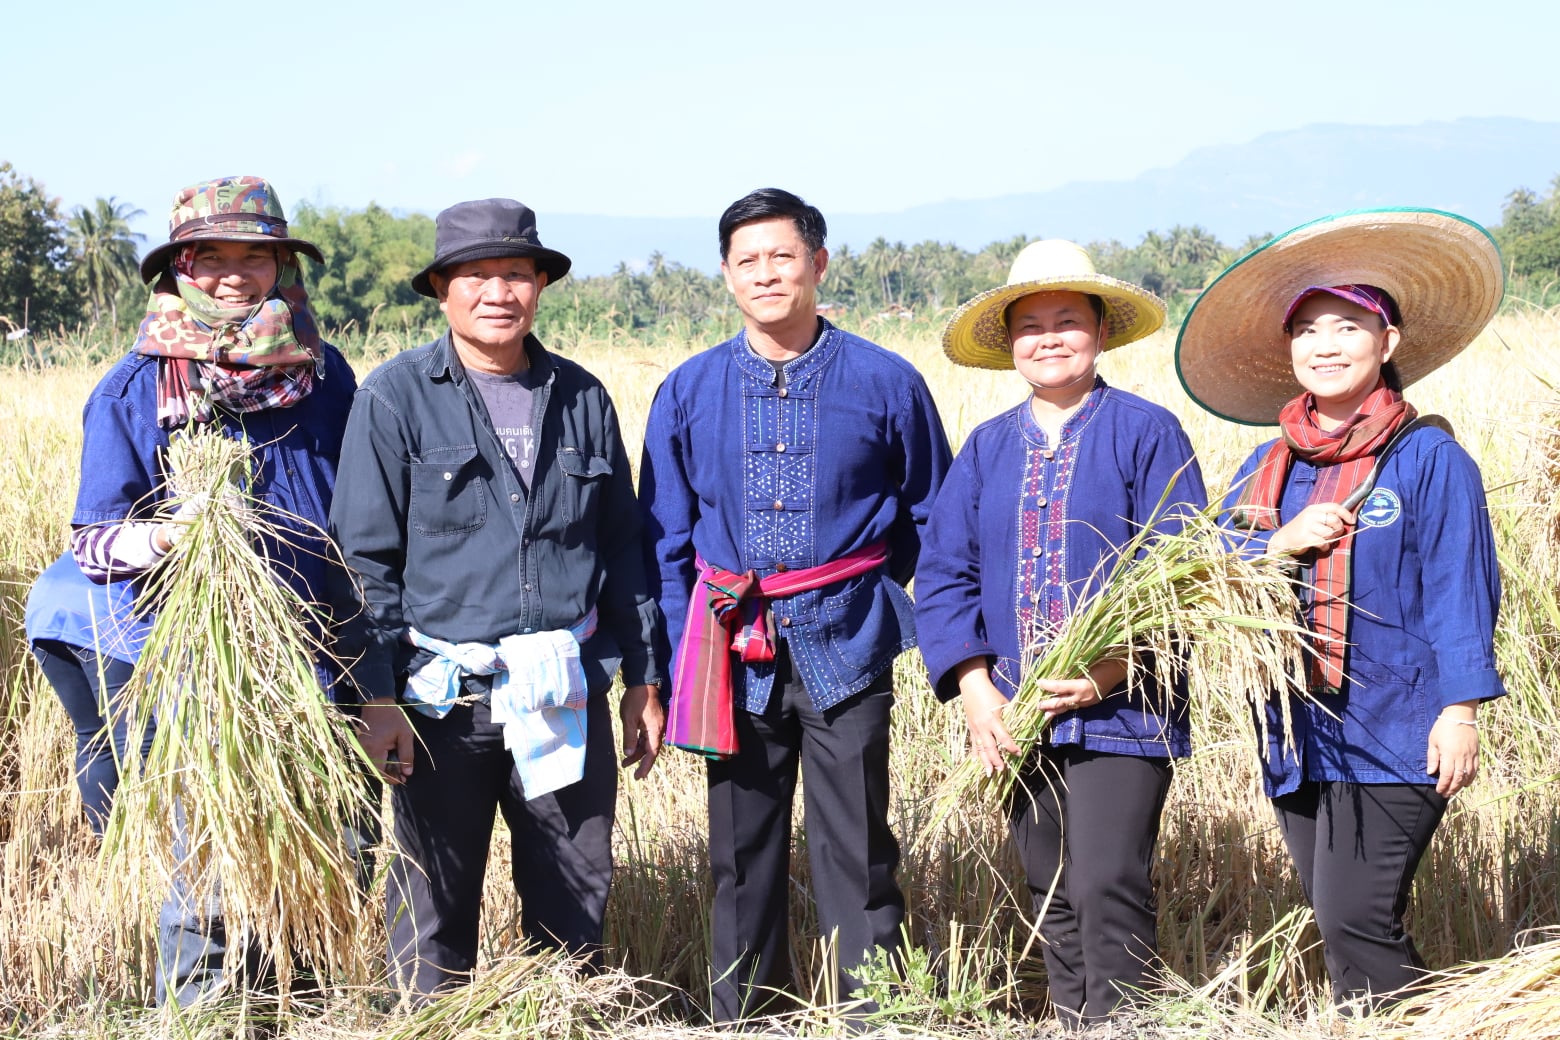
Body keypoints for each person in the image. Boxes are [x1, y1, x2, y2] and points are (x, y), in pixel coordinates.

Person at [328, 198, 664, 998]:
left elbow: (622, 546)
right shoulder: (394, 398)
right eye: (475, 275)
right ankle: (430, 1019)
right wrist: (375, 697)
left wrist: (644, 676)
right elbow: (362, 561)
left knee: (575, 889)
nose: (497, 292)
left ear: (539, 286)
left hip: (563, 688)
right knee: (432, 898)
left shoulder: (582, 397)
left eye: (515, 273)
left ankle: (561, 1013)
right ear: (442, 290)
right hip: (440, 698)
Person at [1175, 208, 1506, 1009]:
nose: (1325, 345)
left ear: (1388, 342)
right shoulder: (1267, 466)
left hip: (1398, 727)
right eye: (1308, 330)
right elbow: (1206, 574)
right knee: (1347, 921)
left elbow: (1462, 591)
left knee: (1356, 915)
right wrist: (1279, 542)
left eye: (1348, 326)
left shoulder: (1429, 459)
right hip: (1296, 730)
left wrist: (1460, 712)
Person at [639, 188, 952, 1021]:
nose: (767, 273)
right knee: (739, 855)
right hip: (727, 649)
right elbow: (665, 540)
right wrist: (668, 665)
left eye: (783, 256)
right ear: (726, 275)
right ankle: (747, 1019)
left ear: (818, 263)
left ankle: (874, 1019)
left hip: (848, 642)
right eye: (748, 260)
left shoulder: (888, 382)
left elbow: (932, 519)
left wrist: (868, 593)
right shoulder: (687, 390)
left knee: (860, 849)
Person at [68, 175, 358, 1005]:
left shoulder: (323, 373)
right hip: (204, 671)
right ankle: (202, 1014)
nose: (236, 275)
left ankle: (301, 1009)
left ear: (281, 268)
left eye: (255, 258)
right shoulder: (136, 386)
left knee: (323, 853)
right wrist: (165, 534)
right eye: (214, 259)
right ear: (181, 270)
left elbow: (365, 501)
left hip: (321, 652)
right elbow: (92, 541)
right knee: (209, 864)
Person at [913, 240, 1206, 1029]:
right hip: (1015, 712)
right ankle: (1074, 1019)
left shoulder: (1147, 433)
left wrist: (1104, 672)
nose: (1049, 339)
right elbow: (944, 574)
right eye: (1031, 326)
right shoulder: (987, 447)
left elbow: (1179, 574)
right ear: (1010, 343)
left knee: (1106, 879)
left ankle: (1123, 1023)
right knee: (1050, 887)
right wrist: (977, 689)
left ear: (1101, 331)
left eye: (1067, 321)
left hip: (1125, 710)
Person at [24, 553, 152, 836]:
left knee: (94, 737)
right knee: (137, 737)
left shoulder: (102, 529)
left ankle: (106, 841)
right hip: (104, 612)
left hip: (44, 610)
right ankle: (146, 842)